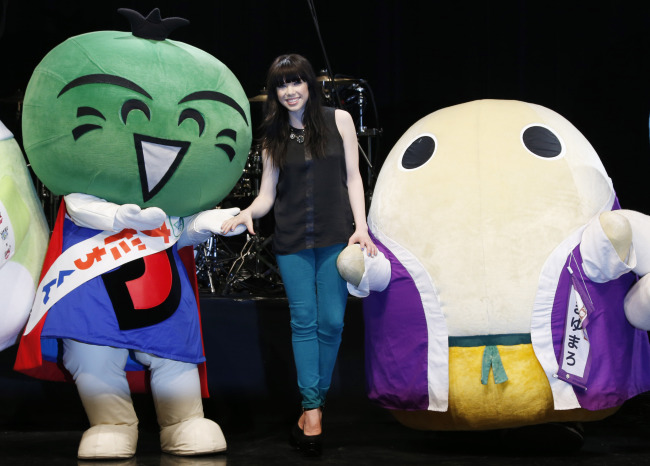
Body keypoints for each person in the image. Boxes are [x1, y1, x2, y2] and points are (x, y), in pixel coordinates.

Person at [221, 53, 377, 456]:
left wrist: (361, 227)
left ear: (310, 84)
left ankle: (315, 401)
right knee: (304, 322)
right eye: (281, 85)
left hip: (335, 236)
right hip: (291, 241)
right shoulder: (272, 134)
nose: (289, 91)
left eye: (296, 82)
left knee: (333, 321)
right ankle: (311, 410)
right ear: (275, 92)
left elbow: (353, 177)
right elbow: (266, 197)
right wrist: (245, 214)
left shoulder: (338, 120)